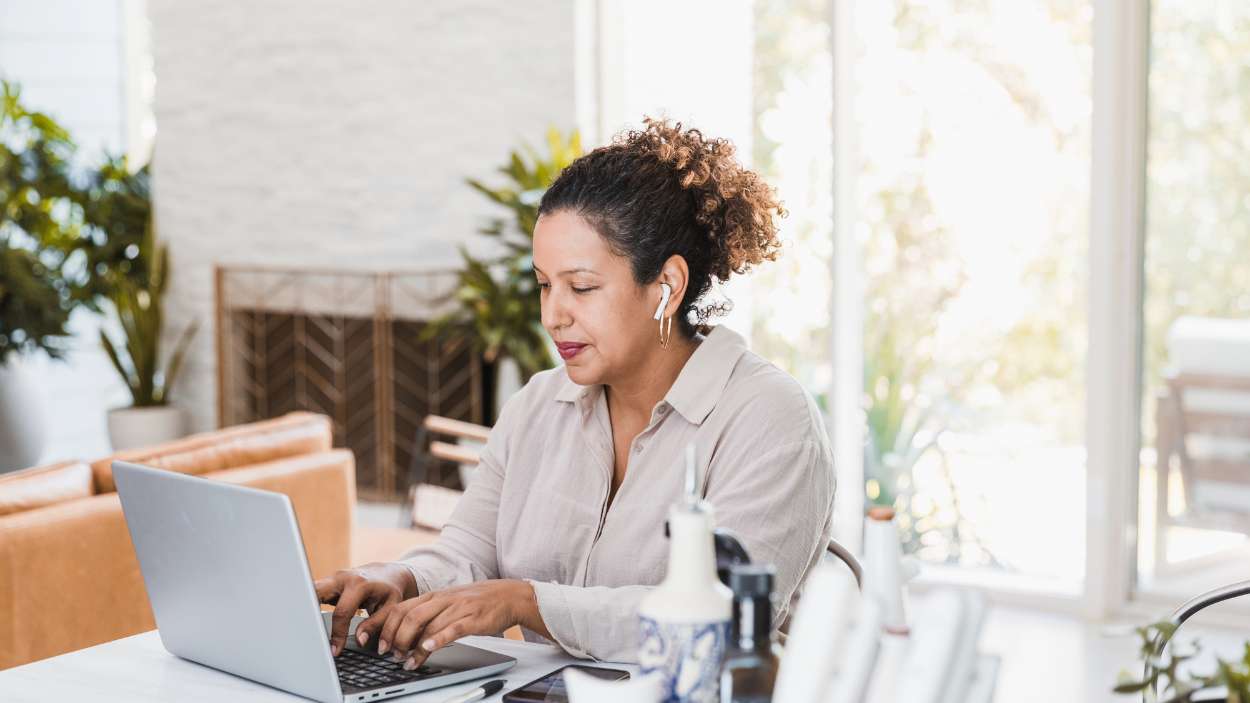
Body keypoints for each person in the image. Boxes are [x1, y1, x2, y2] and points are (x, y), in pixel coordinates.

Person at [315, 116, 835, 670]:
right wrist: (401, 577)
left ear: (668, 285)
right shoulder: (539, 405)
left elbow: (721, 621)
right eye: (544, 284)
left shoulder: (770, 418)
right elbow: (469, 550)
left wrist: (527, 601)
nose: (552, 315)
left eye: (581, 287)